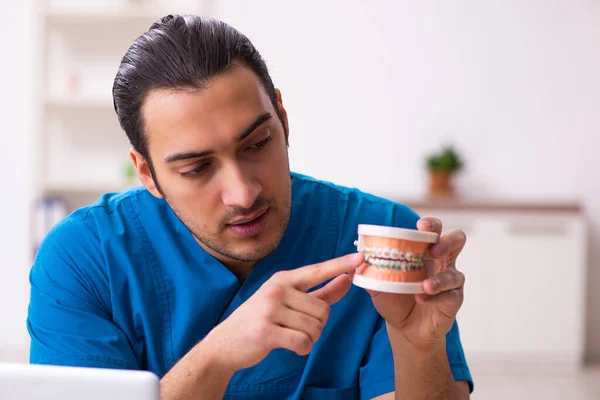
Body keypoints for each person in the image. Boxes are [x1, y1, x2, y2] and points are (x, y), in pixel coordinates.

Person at [27, 14, 473, 400]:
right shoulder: (83, 259)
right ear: (146, 174)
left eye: (258, 143)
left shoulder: (384, 240)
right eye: (197, 168)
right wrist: (217, 356)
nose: (243, 194)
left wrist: (420, 348)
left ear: (282, 116)